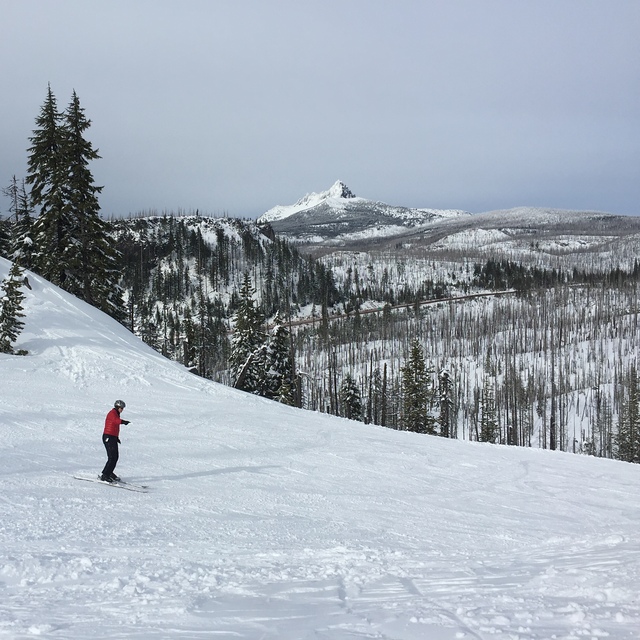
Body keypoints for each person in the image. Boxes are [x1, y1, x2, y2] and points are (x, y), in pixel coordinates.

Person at [100, 400, 130, 482]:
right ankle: (105, 475)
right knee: (112, 457)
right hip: (108, 437)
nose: (122, 410)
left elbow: (114, 427)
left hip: (112, 437)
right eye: (121, 408)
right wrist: (123, 422)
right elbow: (115, 421)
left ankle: (109, 472)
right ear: (117, 407)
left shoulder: (116, 414)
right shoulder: (112, 413)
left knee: (115, 457)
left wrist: (116, 437)